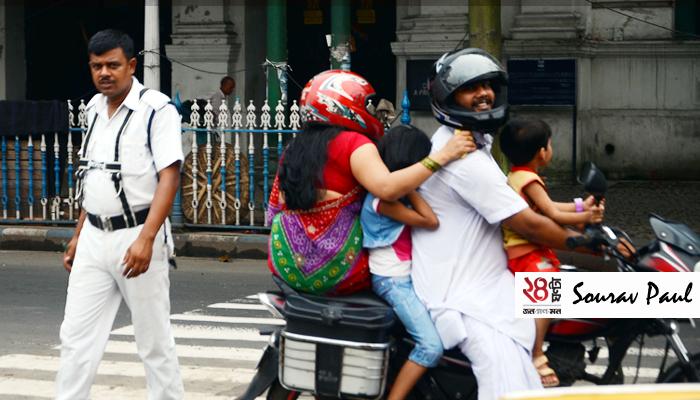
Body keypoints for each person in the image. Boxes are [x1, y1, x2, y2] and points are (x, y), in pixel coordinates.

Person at [411, 48, 598, 400]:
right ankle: (538, 359)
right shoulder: (465, 160)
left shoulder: (469, 145)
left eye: (488, 85)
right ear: (448, 97)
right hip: (465, 296)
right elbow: (528, 224)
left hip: (483, 280)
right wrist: (588, 241)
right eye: (471, 88)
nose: (484, 94)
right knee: (510, 380)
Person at [56, 29, 184, 399]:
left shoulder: (157, 109)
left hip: (137, 234)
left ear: (131, 65)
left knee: (153, 340)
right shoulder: (94, 109)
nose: (104, 73)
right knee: (75, 337)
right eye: (96, 66)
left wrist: (146, 238)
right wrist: (80, 234)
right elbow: (93, 175)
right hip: (94, 238)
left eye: (112, 65)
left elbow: (169, 175)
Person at [266, 69, 475, 296]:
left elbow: (274, 209)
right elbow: (387, 188)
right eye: (366, 104)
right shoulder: (354, 143)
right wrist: (443, 156)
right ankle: (523, 310)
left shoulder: (294, 148)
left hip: (287, 265)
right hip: (343, 271)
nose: (372, 111)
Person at [361, 125, 471, 400]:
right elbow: (430, 221)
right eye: (419, 162)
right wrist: (410, 186)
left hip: (405, 277)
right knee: (430, 346)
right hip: (392, 281)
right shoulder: (382, 200)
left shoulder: (390, 195)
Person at [499, 117, 604, 387]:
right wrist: (587, 220)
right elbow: (553, 212)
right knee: (546, 289)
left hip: (524, 249)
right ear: (542, 152)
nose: (550, 147)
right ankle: (536, 354)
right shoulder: (529, 179)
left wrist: (583, 208)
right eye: (550, 143)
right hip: (525, 251)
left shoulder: (518, 175)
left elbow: (551, 206)